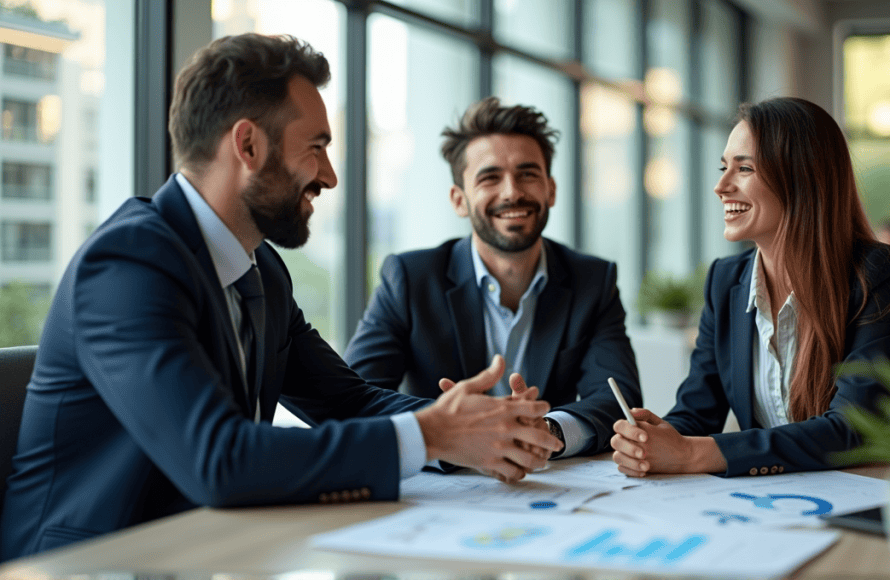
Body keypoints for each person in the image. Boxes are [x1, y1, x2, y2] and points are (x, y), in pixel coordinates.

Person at [0, 34, 561, 562]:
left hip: (205, 549)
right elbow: (218, 459)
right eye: (315, 148)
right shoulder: (128, 264)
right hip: (90, 562)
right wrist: (434, 434)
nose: (331, 177)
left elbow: (347, 401)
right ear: (247, 144)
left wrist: (481, 426)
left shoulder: (262, 270)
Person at [610, 97, 890, 477]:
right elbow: (698, 412)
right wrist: (655, 440)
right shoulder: (725, 280)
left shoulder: (876, 271)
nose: (721, 186)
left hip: (868, 490)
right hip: (777, 499)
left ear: (801, 177)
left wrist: (691, 454)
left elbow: (855, 427)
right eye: (723, 168)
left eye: (744, 168)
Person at [343, 97, 642, 459]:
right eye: (490, 177)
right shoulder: (409, 279)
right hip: (443, 488)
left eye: (528, 174)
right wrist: (450, 432)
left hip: (551, 481)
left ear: (551, 190)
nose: (512, 191)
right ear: (459, 200)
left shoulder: (592, 280)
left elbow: (619, 400)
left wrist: (547, 430)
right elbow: (356, 399)